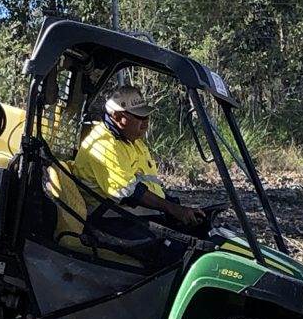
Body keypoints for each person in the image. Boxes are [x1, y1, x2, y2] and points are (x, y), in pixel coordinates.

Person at [72, 85, 204, 237]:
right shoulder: (102, 145)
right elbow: (129, 193)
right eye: (139, 117)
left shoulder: (133, 142)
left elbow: (151, 186)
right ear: (117, 116)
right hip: (111, 220)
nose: (146, 122)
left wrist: (176, 207)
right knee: (174, 250)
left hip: (134, 217)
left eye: (147, 116)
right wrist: (173, 209)